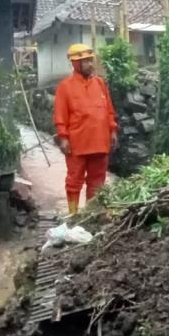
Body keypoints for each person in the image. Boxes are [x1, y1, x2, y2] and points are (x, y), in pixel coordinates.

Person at [53, 43, 118, 215]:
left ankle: (92, 214)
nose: (91, 64)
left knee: (97, 181)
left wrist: (112, 130)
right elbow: (60, 116)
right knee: (74, 180)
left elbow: (109, 110)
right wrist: (63, 137)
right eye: (86, 61)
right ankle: (73, 214)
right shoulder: (65, 87)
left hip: (100, 141)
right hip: (77, 144)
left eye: (91, 60)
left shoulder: (100, 83)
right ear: (76, 64)